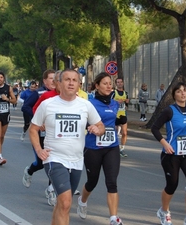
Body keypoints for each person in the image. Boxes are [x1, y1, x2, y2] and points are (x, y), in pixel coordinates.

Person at [29, 69, 105, 225]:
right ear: (59, 83)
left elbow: (100, 126)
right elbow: (33, 129)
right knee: (65, 202)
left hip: (76, 160)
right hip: (54, 158)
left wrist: (98, 130)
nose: (71, 83)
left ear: (79, 84)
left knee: (62, 203)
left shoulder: (85, 105)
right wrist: (38, 150)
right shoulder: (47, 104)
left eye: (74, 80)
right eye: (67, 79)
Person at [151, 82, 186, 225]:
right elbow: (154, 128)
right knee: (172, 185)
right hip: (171, 154)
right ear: (174, 94)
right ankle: (164, 211)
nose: (183, 93)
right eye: (179, 91)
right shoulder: (169, 111)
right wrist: (165, 143)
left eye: (185, 91)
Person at [76, 72, 123, 225]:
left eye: (110, 83)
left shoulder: (115, 103)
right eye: (105, 83)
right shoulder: (88, 104)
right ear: (97, 86)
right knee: (92, 181)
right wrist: (91, 127)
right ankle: (82, 201)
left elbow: (121, 120)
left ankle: (113, 218)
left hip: (112, 147)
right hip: (92, 147)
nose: (109, 86)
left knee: (112, 182)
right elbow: (81, 122)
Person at [22, 71, 60, 206]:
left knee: (53, 161)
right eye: (51, 79)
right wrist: (39, 121)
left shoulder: (67, 97)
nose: (53, 81)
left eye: (55, 79)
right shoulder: (40, 94)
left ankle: (52, 190)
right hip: (40, 133)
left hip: (55, 135)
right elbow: (27, 107)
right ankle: (29, 170)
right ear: (45, 81)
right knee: (40, 162)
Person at [111, 78, 130, 157]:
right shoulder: (114, 93)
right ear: (116, 84)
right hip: (115, 115)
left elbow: (127, 105)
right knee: (114, 133)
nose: (119, 83)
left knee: (124, 133)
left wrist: (127, 102)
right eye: (118, 82)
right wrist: (116, 102)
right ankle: (113, 148)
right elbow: (109, 102)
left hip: (123, 114)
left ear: (123, 83)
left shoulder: (126, 93)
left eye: (121, 82)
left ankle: (122, 149)